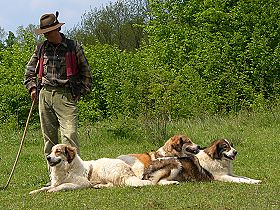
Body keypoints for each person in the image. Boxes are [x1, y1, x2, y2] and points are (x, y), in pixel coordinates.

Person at [24, 12, 92, 184]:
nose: (46, 35)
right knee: (49, 139)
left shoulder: (73, 47)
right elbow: (29, 72)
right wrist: (33, 88)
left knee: (69, 135)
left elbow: (86, 73)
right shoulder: (40, 48)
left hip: (65, 95)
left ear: (58, 28)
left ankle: (75, 175)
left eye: (49, 31)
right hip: (44, 94)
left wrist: (79, 93)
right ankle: (54, 178)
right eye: (44, 32)